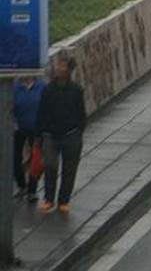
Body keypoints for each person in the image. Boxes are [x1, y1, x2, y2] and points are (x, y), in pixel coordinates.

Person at [36, 55, 87, 215]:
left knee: (69, 169)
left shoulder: (76, 90)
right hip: (50, 135)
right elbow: (41, 112)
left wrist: (78, 131)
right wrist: (40, 134)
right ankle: (48, 199)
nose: (58, 69)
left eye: (62, 66)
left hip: (71, 135)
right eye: (57, 65)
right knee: (50, 165)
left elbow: (81, 113)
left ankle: (64, 201)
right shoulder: (48, 90)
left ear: (70, 70)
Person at [13, 73, 45, 204]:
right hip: (18, 128)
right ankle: (21, 185)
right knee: (15, 157)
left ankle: (32, 190)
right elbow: (7, 105)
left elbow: (46, 107)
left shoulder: (41, 86)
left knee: (36, 159)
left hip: (36, 129)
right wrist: (13, 122)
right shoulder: (14, 87)